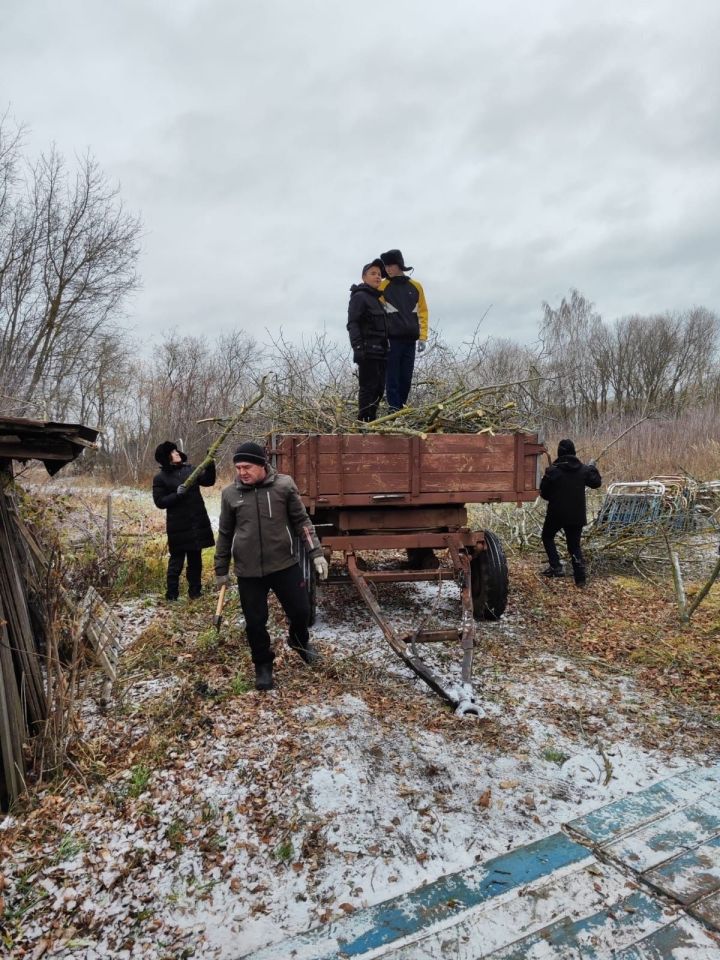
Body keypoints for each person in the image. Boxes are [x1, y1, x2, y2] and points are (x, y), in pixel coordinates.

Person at [214, 441, 329, 691]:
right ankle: (263, 665)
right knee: (255, 622)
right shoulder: (230, 495)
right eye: (238, 467)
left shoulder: (284, 486)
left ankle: (299, 642)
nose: (242, 472)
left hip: (284, 565)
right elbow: (225, 533)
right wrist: (221, 569)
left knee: (301, 612)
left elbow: (302, 521)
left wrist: (316, 553)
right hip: (249, 571)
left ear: (262, 465)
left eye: (247, 467)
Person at [152, 441, 216, 601]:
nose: (177, 453)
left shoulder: (190, 470)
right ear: (166, 458)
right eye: (173, 452)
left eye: (176, 450)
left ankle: (195, 593)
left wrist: (210, 462)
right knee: (176, 562)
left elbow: (208, 481)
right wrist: (177, 494)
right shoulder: (160, 478)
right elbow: (160, 501)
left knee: (195, 560)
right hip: (178, 526)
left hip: (196, 523)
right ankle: (172, 595)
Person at [539, 439, 602, 587]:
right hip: (576, 515)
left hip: (556, 513)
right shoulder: (584, 470)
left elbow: (544, 493)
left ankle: (556, 566)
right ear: (573, 452)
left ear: (559, 453)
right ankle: (580, 580)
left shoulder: (552, 471)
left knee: (547, 536)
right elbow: (596, 483)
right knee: (574, 546)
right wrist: (592, 467)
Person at [379, 248, 429, 412]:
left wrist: (423, 337)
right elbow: (378, 313)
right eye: (385, 266)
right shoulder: (383, 286)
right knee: (391, 377)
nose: (387, 269)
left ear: (399, 265)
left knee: (406, 378)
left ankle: (401, 409)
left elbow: (423, 312)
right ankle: (393, 410)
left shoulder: (415, 286)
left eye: (390, 265)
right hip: (391, 340)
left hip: (410, 340)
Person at [347, 259, 389, 421]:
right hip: (367, 351)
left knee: (379, 389)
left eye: (379, 274)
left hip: (382, 353)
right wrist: (358, 348)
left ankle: (372, 420)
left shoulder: (378, 300)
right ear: (364, 277)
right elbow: (353, 324)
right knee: (368, 388)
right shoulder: (359, 297)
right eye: (373, 273)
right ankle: (363, 421)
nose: (377, 277)